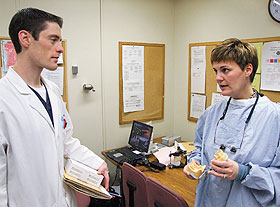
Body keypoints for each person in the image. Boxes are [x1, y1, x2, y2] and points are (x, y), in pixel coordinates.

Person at [0, 8, 109, 206]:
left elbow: (66, 142)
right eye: (53, 40)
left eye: (60, 41)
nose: (60, 48)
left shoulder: (52, 90)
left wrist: (96, 162)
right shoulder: (3, 99)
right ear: (25, 38)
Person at [183, 38, 280, 206]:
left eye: (225, 70)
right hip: (209, 201)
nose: (218, 78)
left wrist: (243, 172)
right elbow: (198, 149)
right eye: (216, 71)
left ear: (248, 69)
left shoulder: (274, 117)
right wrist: (194, 162)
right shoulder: (211, 114)